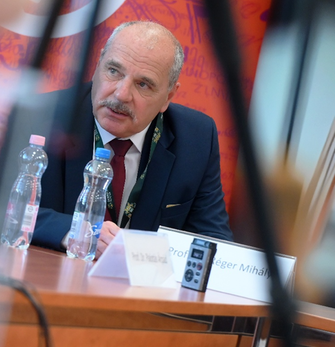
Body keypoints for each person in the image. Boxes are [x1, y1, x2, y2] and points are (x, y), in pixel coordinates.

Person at [31, 20, 233, 257]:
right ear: (97, 65)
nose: (121, 94)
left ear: (168, 96)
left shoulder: (196, 138)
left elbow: (213, 240)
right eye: (113, 71)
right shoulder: (41, 117)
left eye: (143, 84)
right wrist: (73, 231)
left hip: (141, 279)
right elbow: (3, 206)